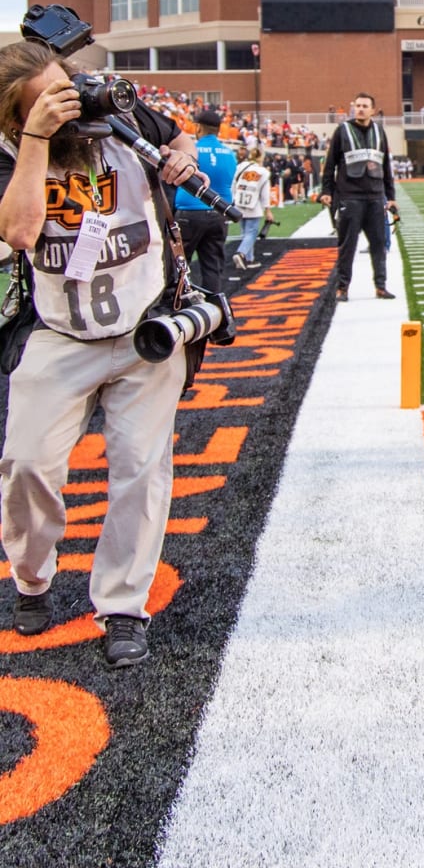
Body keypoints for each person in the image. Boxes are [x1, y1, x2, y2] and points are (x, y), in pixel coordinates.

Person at [0, 39, 204, 666]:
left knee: (141, 473)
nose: (73, 109)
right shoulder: (12, 151)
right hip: (59, 330)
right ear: (14, 117)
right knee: (26, 465)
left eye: (70, 90)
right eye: (50, 104)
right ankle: (32, 577)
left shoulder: (119, 113)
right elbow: (19, 231)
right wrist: (36, 140)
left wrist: (178, 155)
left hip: (146, 325)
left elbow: (181, 136)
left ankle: (122, 606)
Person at [319, 92, 399, 301]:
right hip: (349, 197)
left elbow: (386, 166)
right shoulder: (342, 131)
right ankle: (343, 288)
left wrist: (390, 196)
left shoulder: (380, 131)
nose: (360, 109)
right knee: (347, 246)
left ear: (373, 110)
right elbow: (330, 164)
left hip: (375, 198)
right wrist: (326, 191)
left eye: (365, 106)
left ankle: (380, 286)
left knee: (379, 244)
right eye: (357, 105)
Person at [173, 107, 238, 294]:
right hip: (219, 212)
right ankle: (214, 309)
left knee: (178, 266)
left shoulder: (191, 151)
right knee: (213, 267)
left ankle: (180, 305)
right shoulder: (229, 154)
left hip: (189, 212)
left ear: (198, 128)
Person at [231, 147, 275, 270]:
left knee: (245, 233)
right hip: (253, 205)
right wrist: (268, 210)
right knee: (251, 233)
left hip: (239, 203)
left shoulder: (241, 167)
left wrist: (234, 199)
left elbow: (234, 184)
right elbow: (265, 194)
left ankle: (250, 259)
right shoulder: (264, 172)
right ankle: (241, 253)